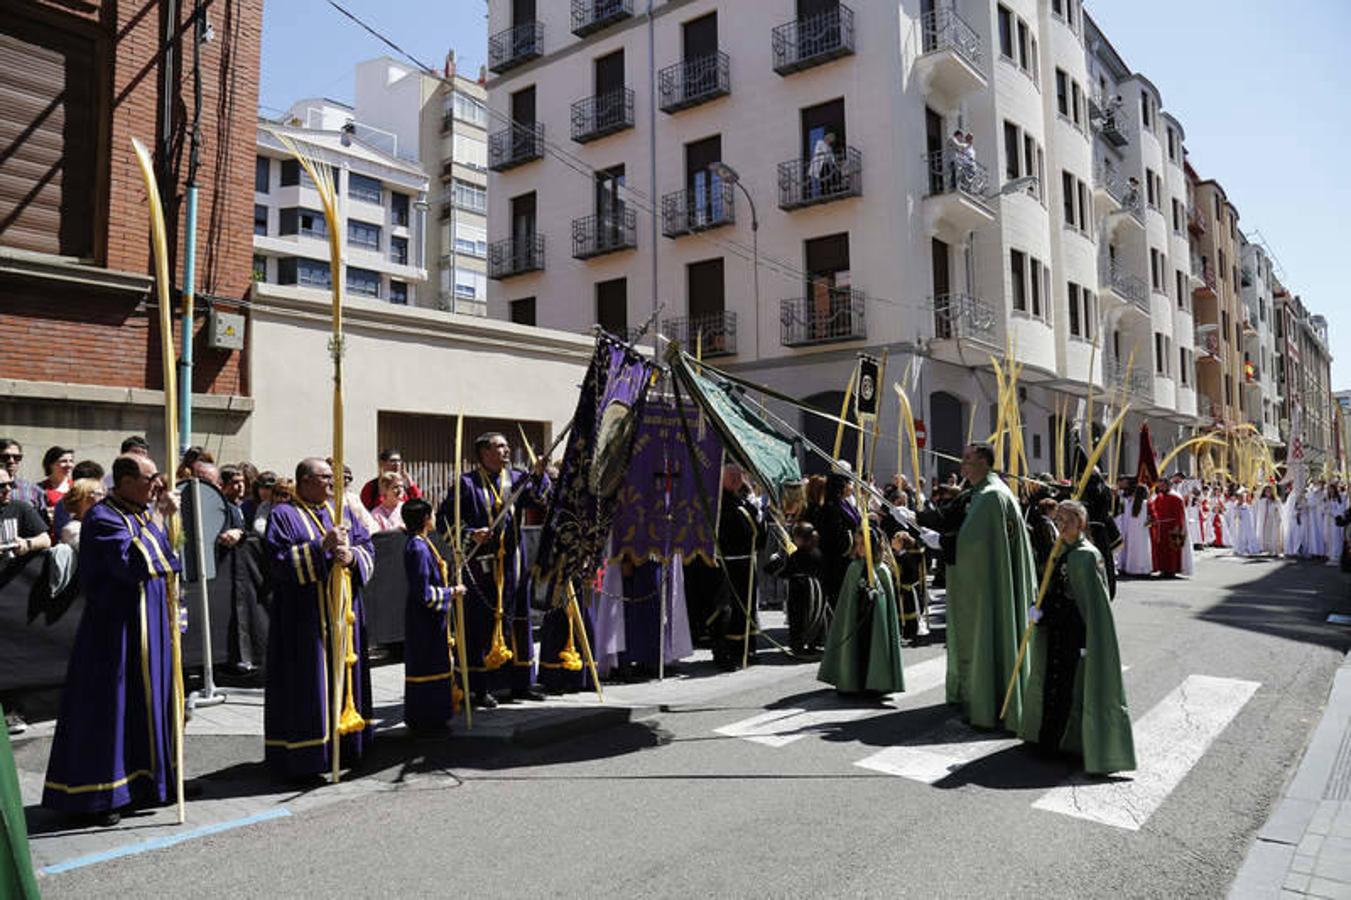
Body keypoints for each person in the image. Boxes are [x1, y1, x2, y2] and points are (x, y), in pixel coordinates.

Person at [41, 454, 181, 826]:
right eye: (152, 478)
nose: (158, 486)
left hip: (149, 625)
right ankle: (101, 796)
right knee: (112, 709)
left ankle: (152, 782)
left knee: (148, 704)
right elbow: (133, 562)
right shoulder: (103, 517)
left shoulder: (139, 513)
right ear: (126, 480)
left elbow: (170, 560)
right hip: (115, 630)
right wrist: (158, 517)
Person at [263, 458, 376, 779]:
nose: (333, 485)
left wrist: (352, 557)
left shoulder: (340, 510)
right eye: (326, 478)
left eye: (335, 479)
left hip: (343, 614)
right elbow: (278, 562)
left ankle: (349, 743)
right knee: (309, 684)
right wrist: (320, 547)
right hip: (305, 619)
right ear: (305, 480)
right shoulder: (283, 515)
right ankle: (309, 755)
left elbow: (367, 545)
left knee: (346, 679)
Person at [1018, 501, 1136, 775]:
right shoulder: (1061, 549)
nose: (1060, 526)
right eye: (1058, 520)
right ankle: (1049, 740)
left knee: (1070, 691)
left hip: (1076, 635)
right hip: (1057, 632)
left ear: (1081, 524)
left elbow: (1089, 605)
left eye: (1067, 521)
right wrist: (1040, 607)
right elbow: (1055, 587)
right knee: (1053, 685)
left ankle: (1066, 744)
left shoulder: (1086, 556)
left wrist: (1049, 615)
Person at [437, 432, 550, 707]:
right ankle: (479, 688)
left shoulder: (518, 478)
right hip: (482, 567)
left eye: (507, 445)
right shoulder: (466, 484)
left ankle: (520, 684)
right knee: (480, 626)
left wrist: (539, 476)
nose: (506, 450)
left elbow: (541, 500)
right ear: (484, 452)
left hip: (513, 562)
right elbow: (443, 521)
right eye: (500, 446)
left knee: (518, 622)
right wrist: (471, 534)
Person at [943, 443, 1036, 731]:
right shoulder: (986, 492)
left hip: (984, 585)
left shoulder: (990, 497)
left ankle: (985, 698)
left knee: (985, 631)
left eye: (968, 459)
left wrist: (936, 540)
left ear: (984, 461)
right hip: (990, 579)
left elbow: (971, 544)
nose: (962, 465)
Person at [401, 498, 466, 733]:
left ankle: (437, 716)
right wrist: (452, 592)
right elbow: (424, 592)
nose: (435, 518)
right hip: (423, 620)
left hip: (434, 619)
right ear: (426, 519)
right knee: (426, 665)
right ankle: (425, 719)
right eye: (432, 514)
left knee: (436, 663)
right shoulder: (417, 548)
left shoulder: (423, 542)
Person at [817, 528, 906, 696]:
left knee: (874, 646)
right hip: (856, 619)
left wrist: (876, 592)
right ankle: (851, 680)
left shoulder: (882, 570)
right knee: (856, 649)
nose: (859, 548)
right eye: (857, 544)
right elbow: (847, 602)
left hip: (875, 621)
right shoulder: (853, 568)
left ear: (873, 546)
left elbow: (887, 601)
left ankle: (877, 682)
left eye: (863, 544)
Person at [711, 463, 766, 670]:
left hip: (745, 561)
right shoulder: (720, 502)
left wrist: (750, 493)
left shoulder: (739, 498)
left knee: (748, 607)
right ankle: (728, 652)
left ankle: (746, 649)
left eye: (738, 476)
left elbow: (755, 520)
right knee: (731, 610)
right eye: (732, 477)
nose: (736, 480)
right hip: (729, 563)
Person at [218, 465, 268, 679]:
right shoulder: (223, 507)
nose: (240, 487)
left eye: (242, 482)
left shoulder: (239, 506)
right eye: (234, 483)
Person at [766, 521, 827, 656]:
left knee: (797, 619)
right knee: (815, 616)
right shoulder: (817, 552)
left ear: (799, 539)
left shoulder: (796, 555)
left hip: (799, 591)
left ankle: (797, 645)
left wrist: (773, 563)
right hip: (817, 590)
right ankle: (814, 643)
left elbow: (785, 571)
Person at [1148, 480, 1187, 578]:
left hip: (1172, 526)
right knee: (1162, 549)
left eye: (1162, 486)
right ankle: (1163, 569)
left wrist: (1178, 527)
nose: (1160, 488)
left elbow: (1180, 514)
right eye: (1160, 486)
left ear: (1168, 486)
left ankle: (1172, 570)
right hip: (1161, 527)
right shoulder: (1159, 497)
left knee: (1172, 550)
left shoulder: (1176, 498)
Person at [1118, 484, 1154, 576]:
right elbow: (1152, 518)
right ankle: (1142, 569)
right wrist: (1149, 523)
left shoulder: (1130, 503)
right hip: (1143, 531)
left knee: (1132, 548)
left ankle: (1131, 568)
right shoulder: (1146, 503)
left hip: (1131, 531)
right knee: (1142, 549)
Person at [59, 478, 105, 547]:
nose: (103, 499)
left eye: (104, 494)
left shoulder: (105, 524)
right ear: (81, 499)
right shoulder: (72, 529)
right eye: (98, 494)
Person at [0, 439, 43, 510]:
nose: (11, 461)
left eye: (16, 457)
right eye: (5, 457)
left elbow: (42, 519)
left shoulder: (32, 490)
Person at [1256, 485, 1285, 557]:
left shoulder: (1276, 500)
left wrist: (1277, 514)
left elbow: (1280, 510)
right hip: (1266, 520)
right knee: (1266, 535)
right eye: (1266, 491)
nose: (1268, 492)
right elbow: (1260, 510)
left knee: (1274, 535)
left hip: (1274, 520)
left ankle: (1275, 550)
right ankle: (1268, 549)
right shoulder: (1262, 500)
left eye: (1269, 491)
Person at [807, 131, 839, 196]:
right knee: (822, 178)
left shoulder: (829, 147)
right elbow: (817, 152)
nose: (830, 141)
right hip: (820, 164)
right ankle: (822, 192)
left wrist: (836, 164)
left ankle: (831, 190)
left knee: (829, 176)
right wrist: (825, 153)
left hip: (827, 164)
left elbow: (832, 158)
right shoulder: (820, 143)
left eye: (831, 140)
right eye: (830, 139)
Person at [1234, 490, 1262, 557]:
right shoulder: (1236, 505)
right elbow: (1236, 515)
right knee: (1240, 536)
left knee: (1249, 535)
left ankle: (1250, 548)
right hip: (1240, 524)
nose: (1241, 499)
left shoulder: (1246, 506)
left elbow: (1249, 515)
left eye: (1242, 498)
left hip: (1247, 524)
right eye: (1239, 498)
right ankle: (1241, 548)